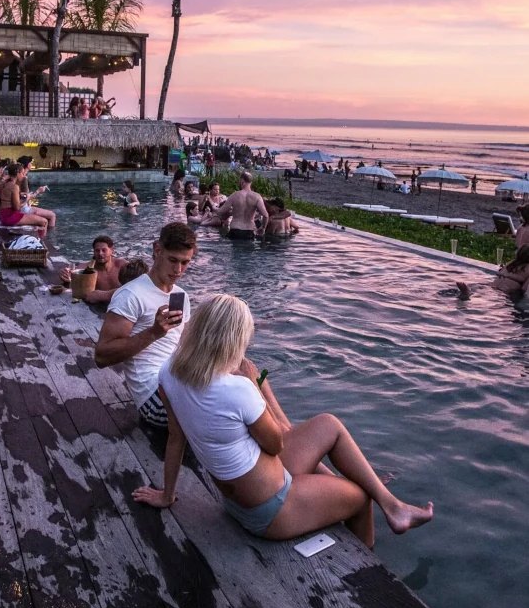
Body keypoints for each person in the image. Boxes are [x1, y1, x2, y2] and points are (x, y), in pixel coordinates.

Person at [133, 294, 434, 547]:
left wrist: (167, 495)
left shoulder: (169, 371)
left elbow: (176, 436)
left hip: (240, 498)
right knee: (360, 498)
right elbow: (276, 443)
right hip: (272, 510)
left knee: (328, 424)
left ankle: (393, 505)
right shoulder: (237, 389)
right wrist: (255, 384)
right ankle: (369, 570)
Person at [94, 222, 196, 428]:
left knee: (247, 382)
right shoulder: (131, 295)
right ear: (157, 250)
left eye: (185, 262)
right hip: (153, 398)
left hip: (178, 381)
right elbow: (101, 356)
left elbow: (184, 346)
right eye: (173, 260)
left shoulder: (180, 295)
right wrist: (153, 333)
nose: (178, 270)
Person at [60, 235, 128, 303]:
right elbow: (73, 274)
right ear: (94, 252)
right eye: (97, 250)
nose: (100, 253)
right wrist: (65, 274)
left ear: (112, 251)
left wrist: (102, 295)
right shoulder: (86, 268)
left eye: (104, 250)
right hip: (96, 308)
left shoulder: (122, 265)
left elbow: (136, 286)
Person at [456, 245, 529, 300]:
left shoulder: (510, 264)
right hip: (504, 294)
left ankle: (467, 292)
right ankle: (467, 293)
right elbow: (524, 289)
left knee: (476, 292)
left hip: (491, 287)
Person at [0, 162, 50, 234]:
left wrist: (21, 195)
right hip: (11, 217)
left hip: (2, 216)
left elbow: (2, 199)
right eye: (22, 173)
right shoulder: (14, 187)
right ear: (17, 173)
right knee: (44, 221)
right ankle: (42, 242)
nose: (23, 175)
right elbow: (17, 208)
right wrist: (27, 199)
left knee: (36, 219)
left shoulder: (2, 184)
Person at [214, 171, 268, 240]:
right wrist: (263, 228)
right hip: (249, 231)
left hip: (235, 230)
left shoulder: (234, 195)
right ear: (251, 182)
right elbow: (266, 215)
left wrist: (214, 209)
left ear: (242, 181)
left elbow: (220, 212)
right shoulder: (257, 197)